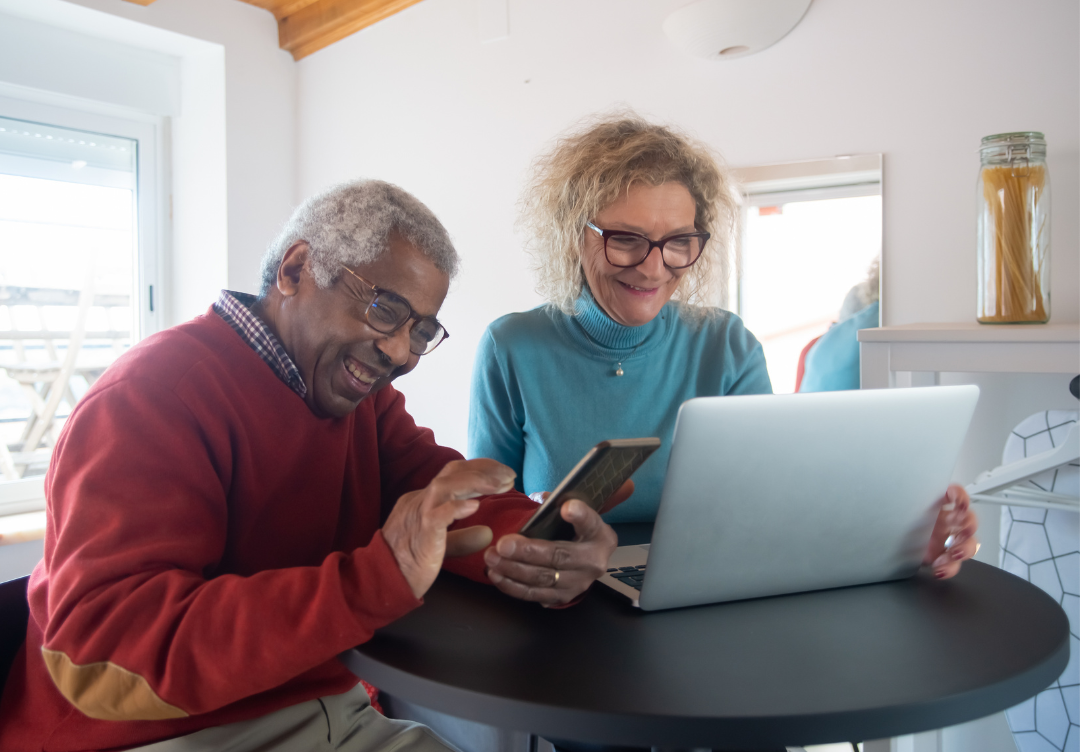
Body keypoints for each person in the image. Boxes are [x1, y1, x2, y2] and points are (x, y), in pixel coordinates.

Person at [0, 180, 628, 752]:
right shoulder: (151, 399)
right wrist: (368, 581)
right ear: (297, 269)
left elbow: (443, 492)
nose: (399, 353)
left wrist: (546, 541)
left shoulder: (361, 398)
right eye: (384, 309)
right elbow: (101, 659)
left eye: (420, 331)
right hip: (152, 735)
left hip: (329, 709)